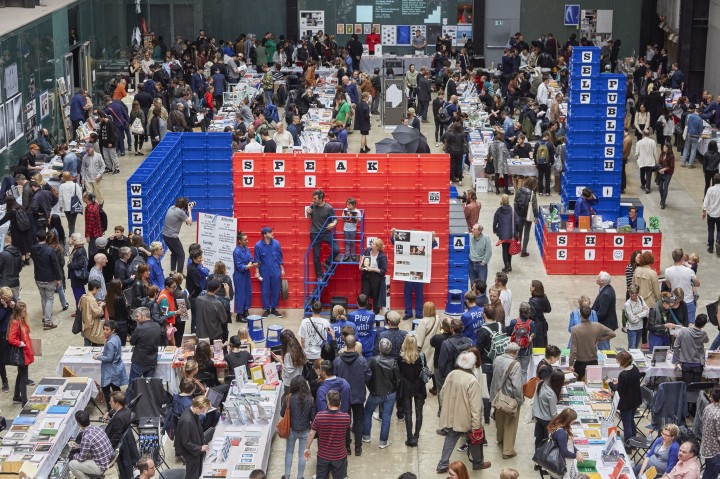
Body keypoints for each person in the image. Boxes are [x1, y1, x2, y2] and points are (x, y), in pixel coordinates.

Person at [435, 350, 489, 472]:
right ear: (473, 364)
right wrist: (476, 426)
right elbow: (476, 407)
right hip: (466, 419)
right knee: (476, 440)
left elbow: (442, 394)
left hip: (453, 417)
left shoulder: (452, 374)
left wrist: (447, 408)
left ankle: (443, 464)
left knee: (450, 438)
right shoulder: (472, 381)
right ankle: (477, 463)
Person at [333, 335, 371, 456]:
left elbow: (334, 378)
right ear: (355, 345)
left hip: (342, 397)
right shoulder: (362, 360)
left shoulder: (338, 361)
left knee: (345, 422)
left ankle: (347, 447)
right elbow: (368, 376)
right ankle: (358, 448)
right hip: (358, 395)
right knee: (359, 421)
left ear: (345, 344)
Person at [304, 389, 351, 479]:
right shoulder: (346, 417)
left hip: (323, 455)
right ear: (339, 403)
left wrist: (307, 448)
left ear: (328, 402)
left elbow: (311, 434)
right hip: (339, 456)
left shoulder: (319, 416)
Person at [363, 338, 400, 449]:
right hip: (390, 393)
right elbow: (398, 379)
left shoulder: (372, 360)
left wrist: (371, 388)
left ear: (379, 348)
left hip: (375, 393)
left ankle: (366, 436)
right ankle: (383, 442)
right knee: (386, 416)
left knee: (367, 413)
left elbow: (367, 377)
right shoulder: (393, 362)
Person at [489, 342, 523, 459]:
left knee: (499, 420)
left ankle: (500, 439)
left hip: (497, 396)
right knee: (510, 424)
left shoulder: (497, 359)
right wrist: (519, 399)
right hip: (509, 399)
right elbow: (517, 386)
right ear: (516, 352)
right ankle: (508, 451)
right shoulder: (516, 364)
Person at [569, 305, 616, 380]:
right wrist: (600, 339)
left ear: (580, 314)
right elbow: (612, 334)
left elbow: (574, 349)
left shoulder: (575, 329)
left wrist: (571, 364)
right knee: (593, 384)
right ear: (590, 314)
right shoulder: (597, 326)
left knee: (577, 385)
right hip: (593, 361)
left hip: (580, 362)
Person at [283, 375, 316, 479]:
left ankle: (287, 475)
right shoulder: (310, 399)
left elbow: (281, 413)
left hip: (291, 430)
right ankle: (300, 476)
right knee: (302, 455)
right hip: (305, 430)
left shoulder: (289, 398)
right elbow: (312, 417)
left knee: (289, 452)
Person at [607, 351, 642, 444]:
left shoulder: (623, 374)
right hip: (635, 399)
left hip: (626, 402)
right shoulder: (635, 368)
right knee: (631, 420)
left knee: (626, 424)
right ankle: (633, 440)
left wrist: (610, 383)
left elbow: (618, 390)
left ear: (622, 362)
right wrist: (619, 381)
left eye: (618, 361)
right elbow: (630, 382)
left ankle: (628, 444)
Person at [127, 307, 161, 401]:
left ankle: (129, 404)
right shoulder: (157, 326)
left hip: (139, 361)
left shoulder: (140, 328)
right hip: (152, 360)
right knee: (149, 385)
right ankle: (148, 403)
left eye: (137, 316)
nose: (136, 318)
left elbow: (132, 342)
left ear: (144, 316)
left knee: (132, 384)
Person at [397, 335, 426, 447]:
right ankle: (416, 436)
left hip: (406, 386)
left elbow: (398, 372)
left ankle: (410, 437)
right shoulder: (421, 357)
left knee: (408, 412)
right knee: (419, 412)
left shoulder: (401, 358)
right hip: (419, 386)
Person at [92, 320, 128, 409]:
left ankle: (110, 410)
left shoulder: (110, 342)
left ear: (113, 330)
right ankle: (121, 407)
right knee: (116, 388)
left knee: (106, 389)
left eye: (107, 329)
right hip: (116, 367)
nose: (104, 331)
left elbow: (109, 358)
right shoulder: (117, 338)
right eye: (104, 329)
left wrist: (98, 357)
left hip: (110, 370)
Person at [68, 410, 114, 479]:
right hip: (108, 459)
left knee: (72, 464)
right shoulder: (96, 428)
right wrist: (80, 446)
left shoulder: (86, 437)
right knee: (83, 454)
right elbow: (93, 444)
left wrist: (73, 456)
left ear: (78, 423)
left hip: (101, 466)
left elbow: (81, 458)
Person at [306, 189, 341, 279]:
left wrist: (333, 224)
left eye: (315, 198)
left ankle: (327, 262)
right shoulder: (313, 205)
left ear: (321, 199)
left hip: (325, 232)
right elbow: (309, 218)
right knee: (316, 256)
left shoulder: (329, 208)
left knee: (337, 249)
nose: (313, 200)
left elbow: (335, 219)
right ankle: (319, 276)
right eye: (313, 198)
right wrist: (308, 213)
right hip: (314, 233)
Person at [31, 231, 62, 329]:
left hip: (38, 277)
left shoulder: (33, 249)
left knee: (43, 297)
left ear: (37, 238)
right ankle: (47, 320)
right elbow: (55, 265)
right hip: (49, 278)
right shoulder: (50, 250)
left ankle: (46, 316)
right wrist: (58, 278)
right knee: (49, 298)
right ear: (45, 238)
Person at [174, 395, 211, 479]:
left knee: (197, 472)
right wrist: (200, 448)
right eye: (202, 410)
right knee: (192, 475)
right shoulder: (187, 420)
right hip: (190, 452)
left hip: (196, 446)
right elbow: (185, 442)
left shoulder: (193, 413)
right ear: (197, 408)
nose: (203, 413)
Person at [254, 226, 284, 317]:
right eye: (270, 232)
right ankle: (267, 309)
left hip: (275, 270)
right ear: (265, 235)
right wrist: (257, 272)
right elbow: (257, 260)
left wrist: (282, 269)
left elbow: (280, 258)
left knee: (276, 290)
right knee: (265, 291)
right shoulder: (258, 245)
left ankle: (274, 309)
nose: (272, 233)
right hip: (264, 271)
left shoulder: (276, 244)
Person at [7, 302, 33, 405]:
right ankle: (24, 400)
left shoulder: (21, 320)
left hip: (25, 352)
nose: (26, 313)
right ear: (19, 312)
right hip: (22, 353)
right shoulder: (16, 323)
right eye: (24, 311)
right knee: (24, 377)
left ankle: (17, 396)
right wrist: (20, 343)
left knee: (20, 374)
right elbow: (11, 339)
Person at [546, 408, 585, 479]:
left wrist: (577, 451)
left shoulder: (556, 425)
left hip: (553, 462)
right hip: (559, 464)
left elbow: (567, 444)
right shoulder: (562, 433)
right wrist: (576, 456)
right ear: (567, 421)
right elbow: (564, 452)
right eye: (572, 422)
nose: (573, 423)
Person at [532, 368, 564, 451]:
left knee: (539, 438)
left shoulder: (541, 383)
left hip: (538, 416)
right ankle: (544, 458)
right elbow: (553, 414)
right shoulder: (551, 394)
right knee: (547, 441)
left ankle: (537, 459)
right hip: (547, 420)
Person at [665, 248, 700, 324]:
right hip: (688, 300)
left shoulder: (667, 271)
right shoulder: (689, 271)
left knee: (676, 325)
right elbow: (697, 284)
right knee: (690, 325)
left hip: (675, 301)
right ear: (682, 258)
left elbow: (668, 285)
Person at [672, 314, 709, 384]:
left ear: (695, 321)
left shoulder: (683, 331)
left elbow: (676, 346)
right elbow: (707, 340)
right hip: (698, 364)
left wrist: (678, 359)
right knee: (696, 388)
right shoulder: (703, 335)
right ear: (703, 325)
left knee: (686, 388)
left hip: (686, 364)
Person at [162, 198, 193, 274]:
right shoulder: (180, 212)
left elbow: (180, 216)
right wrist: (189, 210)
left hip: (165, 235)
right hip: (172, 237)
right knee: (181, 255)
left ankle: (172, 272)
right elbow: (190, 222)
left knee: (174, 253)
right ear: (184, 205)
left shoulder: (172, 207)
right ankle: (179, 274)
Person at [493, 194, 519, 274]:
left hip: (502, 233)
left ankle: (506, 266)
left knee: (504, 249)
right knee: (509, 249)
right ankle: (509, 265)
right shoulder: (512, 210)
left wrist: (495, 230)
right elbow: (517, 221)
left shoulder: (499, 210)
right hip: (511, 233)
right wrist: (517, 232)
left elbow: (495, 221)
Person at [359, 238, 387, 314]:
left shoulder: (382, 256)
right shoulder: (368, 250)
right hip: (366, 276)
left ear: (377, 247)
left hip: (376, 278)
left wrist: (373, 269)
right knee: (364, 295)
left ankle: (375, 313)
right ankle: (365, 313)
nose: (371, 244)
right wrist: (361, 266)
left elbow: (383, 270)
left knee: (376, 296)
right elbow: (363, 260)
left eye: (374, 244)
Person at [592, 271, 618, 350]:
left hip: (605, 325)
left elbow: (602, 312)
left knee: (603, 347)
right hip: (606, 323)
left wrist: (592, 319)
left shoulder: (606, 294)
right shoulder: (607, 288)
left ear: (602, 281)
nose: (597, 277)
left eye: (598, 277)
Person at [514, 177, 539, 257]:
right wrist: (536, 217)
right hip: (528, 215)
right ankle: (523, 251)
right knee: (526, 233)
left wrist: (517, 212)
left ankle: (518, 247)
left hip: (520, 214)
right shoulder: (532, 194)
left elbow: (515, 201)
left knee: (519, 232)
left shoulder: (520, 189)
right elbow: (534, 207)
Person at [700, 386, 720, 479]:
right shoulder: (718, 414)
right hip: (715, 451)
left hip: (706, 447)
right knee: (711, 475)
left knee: (708, 472)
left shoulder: (708, 407)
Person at [349, 294, 376, 359]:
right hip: (368, 344)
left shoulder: (351, 315)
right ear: (367, 302)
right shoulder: (372, 314)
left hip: (355, 344)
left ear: (357, 302)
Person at [625, 284, 648, 349]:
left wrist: (637, 315)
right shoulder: (627, 304)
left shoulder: (640, 299)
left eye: (634, 293)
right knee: (632, 347)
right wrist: (642, 313)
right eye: (630, 293)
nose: (632, 295)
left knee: (636, 347)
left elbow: (647, 311)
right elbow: (632, 320)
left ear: (637, 293)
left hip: (640, 327)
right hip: (631, 329)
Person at [529, 280, 551, 347]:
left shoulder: (532, 301)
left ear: (534, 288)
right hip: (543, 324)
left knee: (535, 344)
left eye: (531, 286)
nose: (529, 287)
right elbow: (548, 309)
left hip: (536, 325)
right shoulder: (544, 297)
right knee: (543, 343)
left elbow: (531, 316)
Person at [680, 104, 703, 168]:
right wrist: (699, 133)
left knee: (686, 148)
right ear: (700, 112)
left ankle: (683, 162)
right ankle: (690, 164)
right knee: (693, 150)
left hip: (689, 134)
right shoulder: (700, 119)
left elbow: (686, 124)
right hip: (696, 136)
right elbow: (700, 129)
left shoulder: (689, 116)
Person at [703, 173, 720, 254]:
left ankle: (710, 247)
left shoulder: (710, 189)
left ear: (714, 180)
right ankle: (718, 242)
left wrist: (704, 212)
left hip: (711, 214)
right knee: (719, 230)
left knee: (711, 230)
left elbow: (706, 202)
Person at [656, 143, 675, 209]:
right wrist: (659, 169)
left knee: (665, 187)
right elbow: (659, 162)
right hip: (661, 172)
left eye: (665, 147)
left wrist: (664, 169)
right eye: (663, 147)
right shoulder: (662, 154)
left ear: (668, 148)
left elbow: (671, 166)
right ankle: (662, 198)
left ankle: (663, 202)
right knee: (660, 188)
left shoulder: (671, 156)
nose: (663, 148)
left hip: (668, 173)